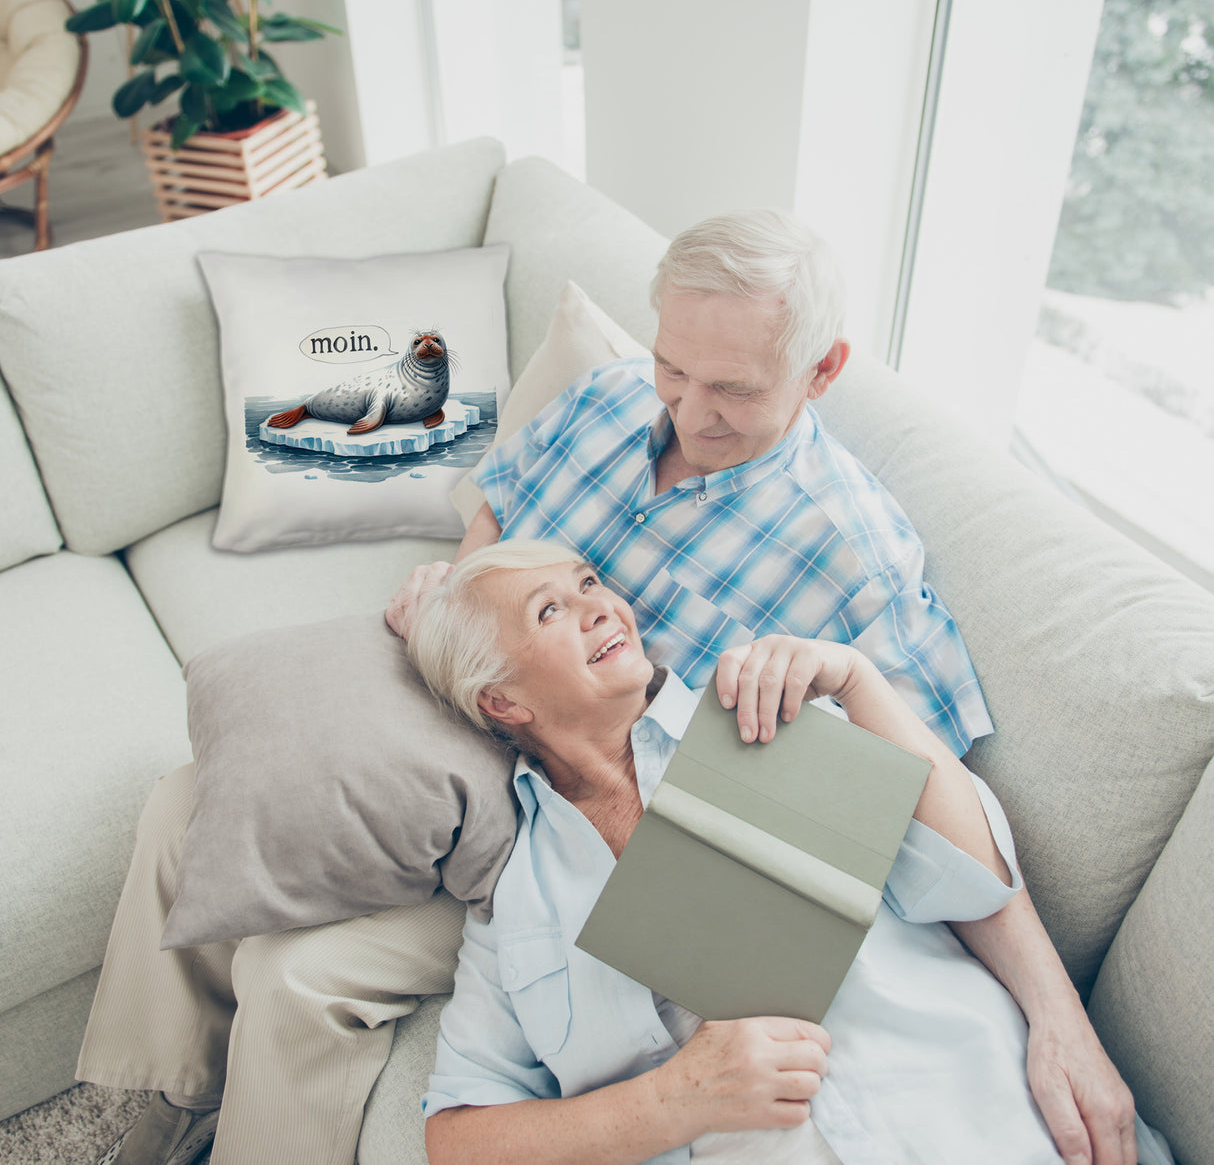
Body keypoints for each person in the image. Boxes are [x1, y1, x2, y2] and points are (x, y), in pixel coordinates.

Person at [79, 211, 1131, 1165]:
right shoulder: (608, 398)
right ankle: (159, 1101)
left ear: (820, 371)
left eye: (732, 389)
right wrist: (457, 592)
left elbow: (927, 806)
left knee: (300, 974)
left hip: (576, 803)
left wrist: (1057, 1014)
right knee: (192, 798)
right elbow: (499, 509)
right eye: (674, 366)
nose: (687, 408)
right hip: (486, 697)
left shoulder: (853, 558)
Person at [408, 540, 1162, 1165]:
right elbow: (458, 1139)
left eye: (588, 583)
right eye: (551, 610)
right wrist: (673, 1101)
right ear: (502, 701)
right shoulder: (517, 902)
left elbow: (973, 881)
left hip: (985, 1119)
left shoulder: (764, 713)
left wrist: (858, 682)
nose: (601, 605)